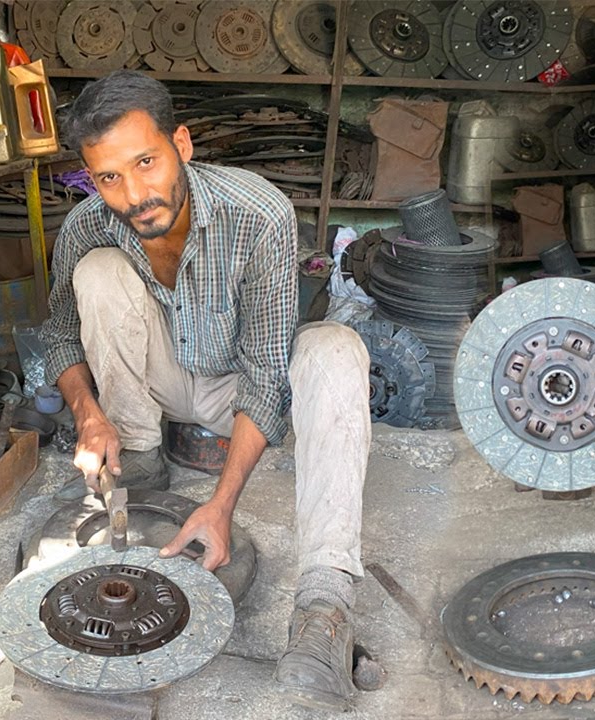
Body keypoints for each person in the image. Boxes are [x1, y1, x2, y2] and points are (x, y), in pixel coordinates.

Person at [41, 70, 372, 711]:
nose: (134, 194)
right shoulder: (87, 225)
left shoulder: (259, 213)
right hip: (159, 384)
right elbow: (58, 337)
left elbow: (272, 373)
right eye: (109, 177)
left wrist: (221, 505)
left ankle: (325, 602)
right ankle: (138, 452)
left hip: (239, 384)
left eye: (146, 162)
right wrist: (89, 415)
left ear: (183, 145)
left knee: (334, 349)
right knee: (102, 271)